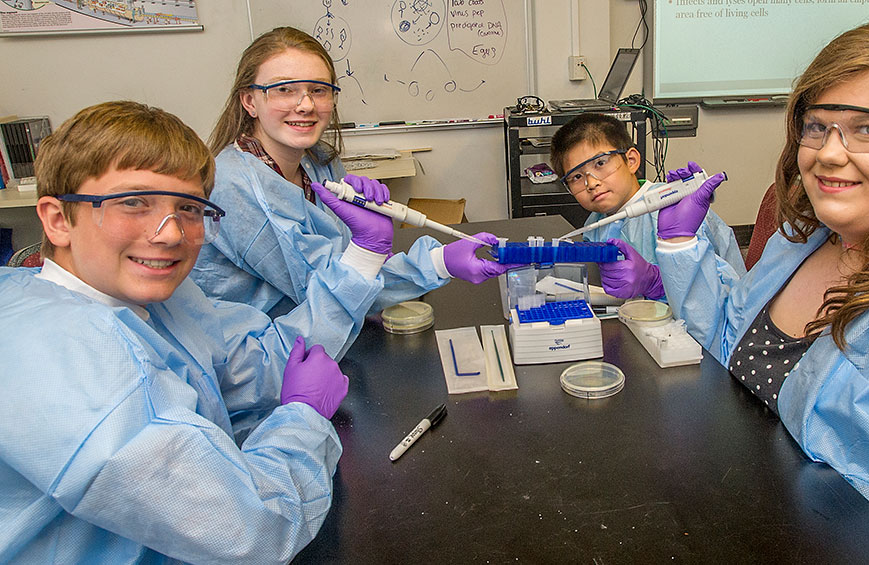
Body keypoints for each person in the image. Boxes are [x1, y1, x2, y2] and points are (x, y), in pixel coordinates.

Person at [653, 20, 869, 562]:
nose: (828, 154)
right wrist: (678, 243)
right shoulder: (805, 241)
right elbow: (728, 348)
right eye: (816, 126)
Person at [0, 101, 365, 563]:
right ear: (57, 220)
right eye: (133, 202)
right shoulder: (65, 366)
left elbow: (241, 367)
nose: (170, 233)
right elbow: (252, 530)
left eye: (189, 208)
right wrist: (305, 416)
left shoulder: (153, 299)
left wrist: (366, 259)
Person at [191, 26, 506, 334]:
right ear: (249, 101)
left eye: (318, 90)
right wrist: (436, 264)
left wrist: (391, 254)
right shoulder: (234, 186)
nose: (306, 105)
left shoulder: (319, 161)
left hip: (324, 333)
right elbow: (331, 288)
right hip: (264, 357)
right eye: (284, 89)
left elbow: (350, 270)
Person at [548, 112, 745, 300]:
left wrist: (657, 282)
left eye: (600, 163)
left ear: (631, 160)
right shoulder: (598, 222)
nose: (591, 184)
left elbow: (730, 293)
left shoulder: (674, 210)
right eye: (576, 177)